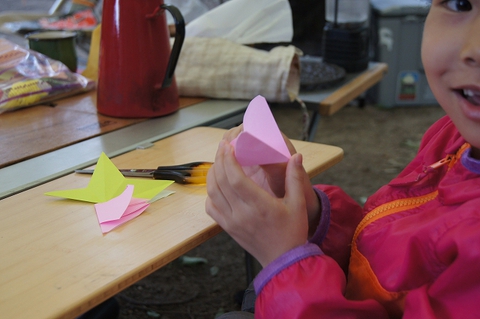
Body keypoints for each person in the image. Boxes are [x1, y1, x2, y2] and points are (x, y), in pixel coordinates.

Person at [205, 0, 480, 317]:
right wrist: (308, 211)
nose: (474, 48)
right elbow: (383, 249)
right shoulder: (452, 134)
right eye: (459, 4)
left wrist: (285, 259)